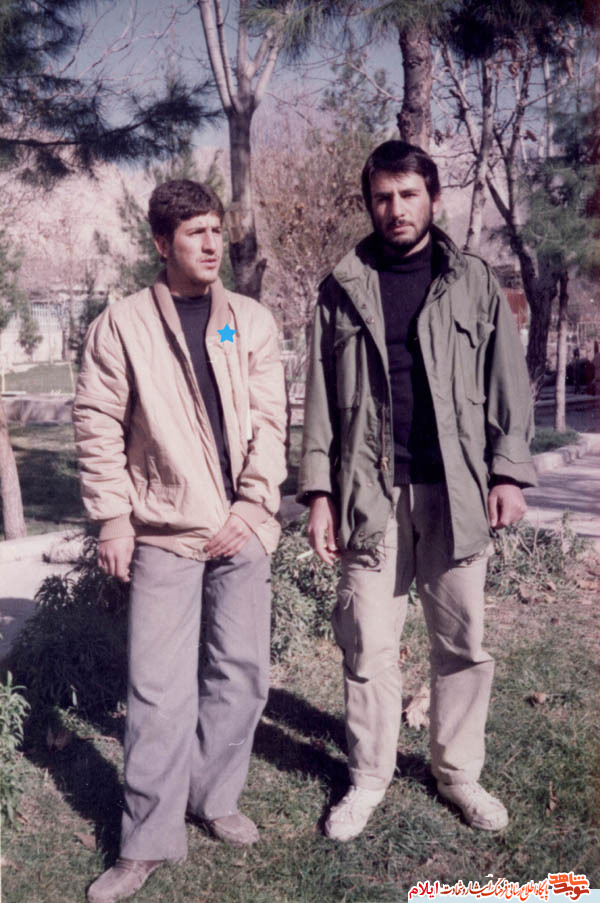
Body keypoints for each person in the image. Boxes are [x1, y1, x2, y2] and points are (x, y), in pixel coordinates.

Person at [297, 141, 537, 842]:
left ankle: (458, 773)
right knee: (367, 644)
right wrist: (318, 493)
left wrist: (507, 472)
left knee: (462, 643)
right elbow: (319, 399)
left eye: (407, 194)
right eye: (382, 197)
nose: (395, 209)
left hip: (456, 492)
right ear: (369, 203)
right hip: (369, 494)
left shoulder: (473, 280)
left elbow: (507, 383)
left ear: (432, 197)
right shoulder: (342, 286)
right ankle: (368, 777)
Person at [73, 180, 287, 902]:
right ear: (161, 243)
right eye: (195, 233)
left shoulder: (250, 321)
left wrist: (253, 507)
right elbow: (97, 424)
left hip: (243, 526)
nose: (211, 244)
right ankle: (145, 842)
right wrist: (113, 518)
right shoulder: (122, 325)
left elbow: (272, 422)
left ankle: (212, 795)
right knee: (159, 692)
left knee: (242, 674)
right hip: (164, 529)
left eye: (216, 231)